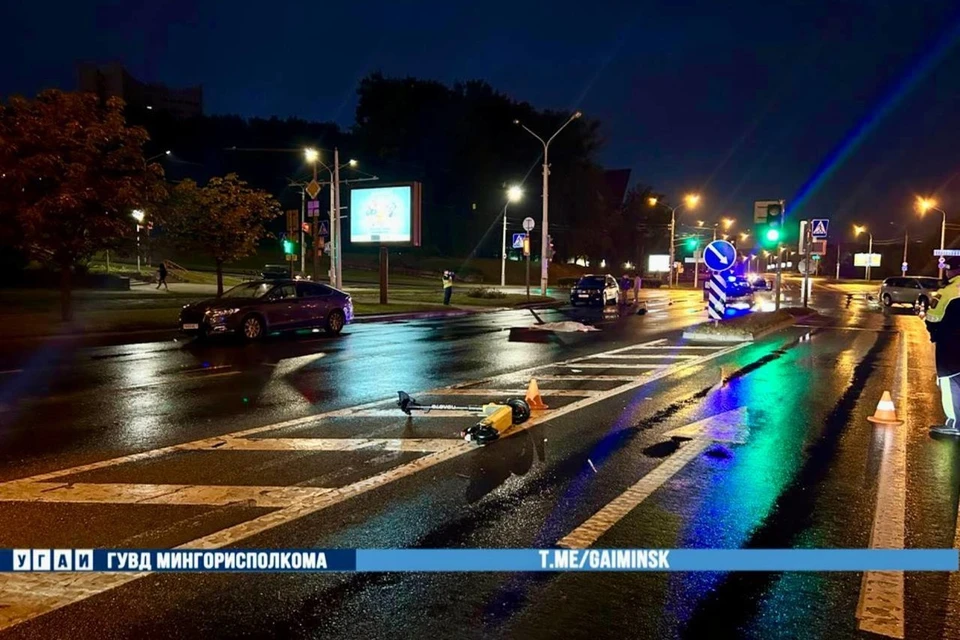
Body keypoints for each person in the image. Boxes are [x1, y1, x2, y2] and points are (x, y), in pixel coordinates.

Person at [924, 264, 960, 436]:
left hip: (951, 345)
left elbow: (933, 317)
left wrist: (934, 333)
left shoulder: (948, 291)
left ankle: (954, 423)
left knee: (950, 381)